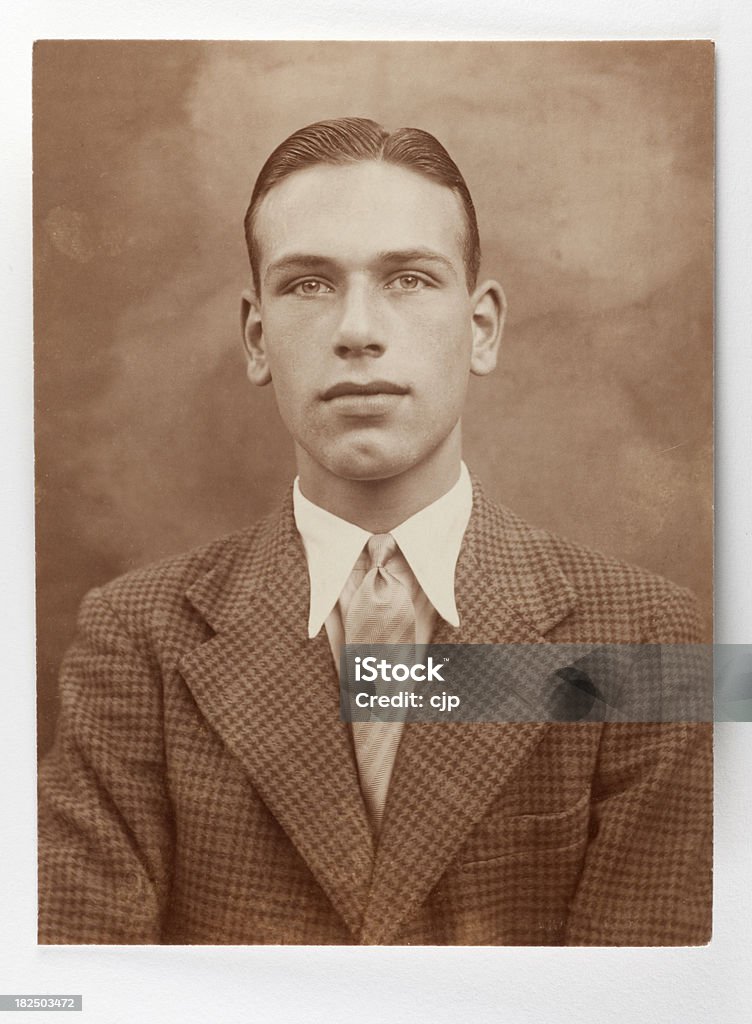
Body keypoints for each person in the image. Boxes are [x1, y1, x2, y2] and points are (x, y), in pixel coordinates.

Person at [38, 117, 711, 946]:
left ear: (483, 328)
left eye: (410, 280)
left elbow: (654, 991)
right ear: (257, 339)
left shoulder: (647, 637)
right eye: (309, 284)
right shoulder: (135, 638)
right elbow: (79, 978)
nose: (358, 329)